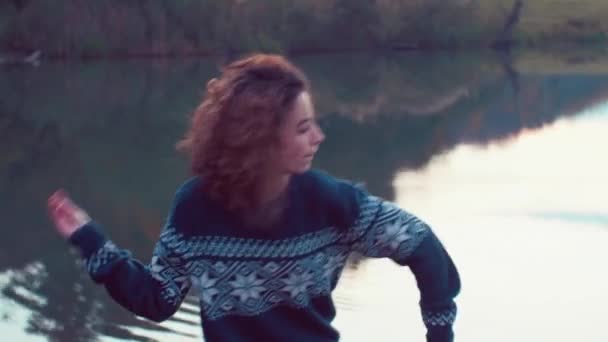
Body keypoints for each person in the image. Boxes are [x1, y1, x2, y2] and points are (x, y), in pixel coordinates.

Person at [47, 54, 460, 342]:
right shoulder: (195, 208)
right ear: (260, 138)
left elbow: (422, 245)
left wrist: (439, 333)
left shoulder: (331, 202)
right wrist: (91, 241)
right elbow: (158, 299)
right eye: (302, 128)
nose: (318, 137)